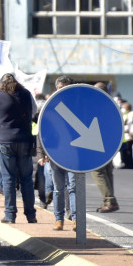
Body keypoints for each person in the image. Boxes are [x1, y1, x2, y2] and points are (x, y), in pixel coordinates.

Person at [0, 73, 37, 224]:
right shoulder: (27, 94)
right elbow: (34, 111)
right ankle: (31, 215)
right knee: (26, 179)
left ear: (2, 83)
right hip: (24, 140)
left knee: (8, 179)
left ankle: (10, 215)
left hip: (5, 141)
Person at [47, 76, 78, 230]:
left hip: (74, 153)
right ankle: (58, 219)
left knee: (73, 187)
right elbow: (43, 130)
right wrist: (42, 153)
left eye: (66, 87)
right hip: (55, 153)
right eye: (60, 87)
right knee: (58, 189)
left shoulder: (78, 105)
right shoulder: (50, 105)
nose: (63, 90)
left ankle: (76, 219)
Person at [92, 82, 120, 213]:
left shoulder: (98, 104)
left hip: (98, 141)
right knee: (107, 172)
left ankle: (109, 200)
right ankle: (106, 201)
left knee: (98, 171)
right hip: (110, 143)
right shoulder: (112, 104)